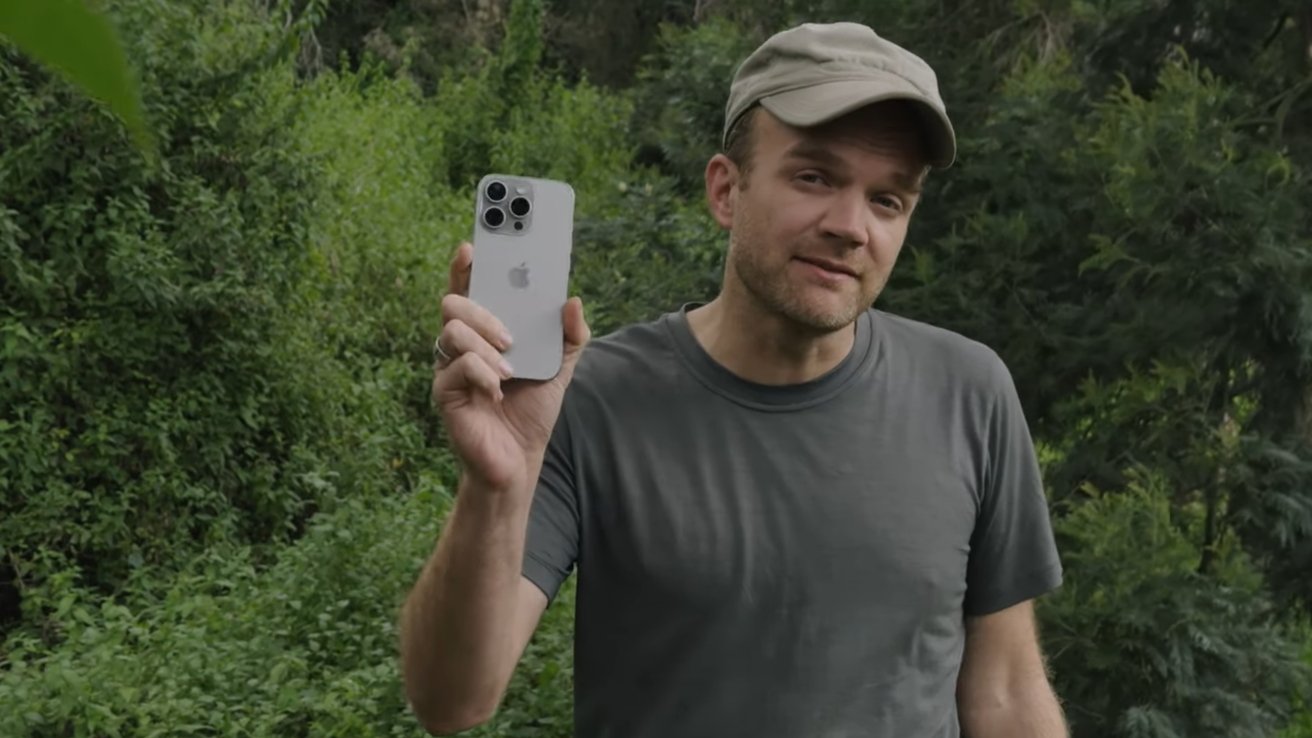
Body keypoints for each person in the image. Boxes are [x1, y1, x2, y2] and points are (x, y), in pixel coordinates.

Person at [400, 20, 1067, 738]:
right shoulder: (589, 400)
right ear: (726, 190)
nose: (851, 226)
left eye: (888, 200)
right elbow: (452, 702)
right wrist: (495, 487)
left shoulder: (970, 394)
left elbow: (1004, 694)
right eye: (815, 177)